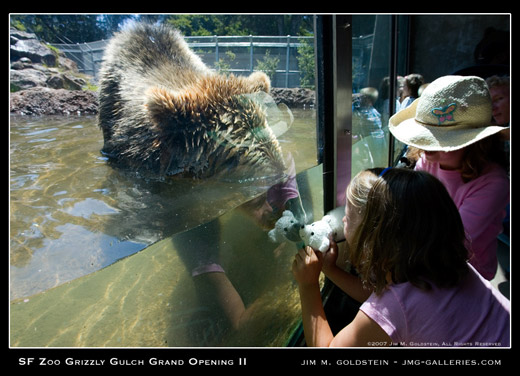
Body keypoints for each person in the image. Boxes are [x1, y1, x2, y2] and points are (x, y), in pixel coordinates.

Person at [292, 167, 510, 347]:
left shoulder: (395, 307)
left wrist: (308, 285)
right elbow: (383, 299)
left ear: (373, 239)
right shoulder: (447, 265)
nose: (343, 223)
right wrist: (331, 271)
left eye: (348, 217)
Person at [389, 75, 509, 280]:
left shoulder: (494, 183)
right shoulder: (428, 160)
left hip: (468, 274)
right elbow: (414, 203)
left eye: (438, 139)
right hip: (425, 254)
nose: (426, 146)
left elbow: (455, 240)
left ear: (474, 143)